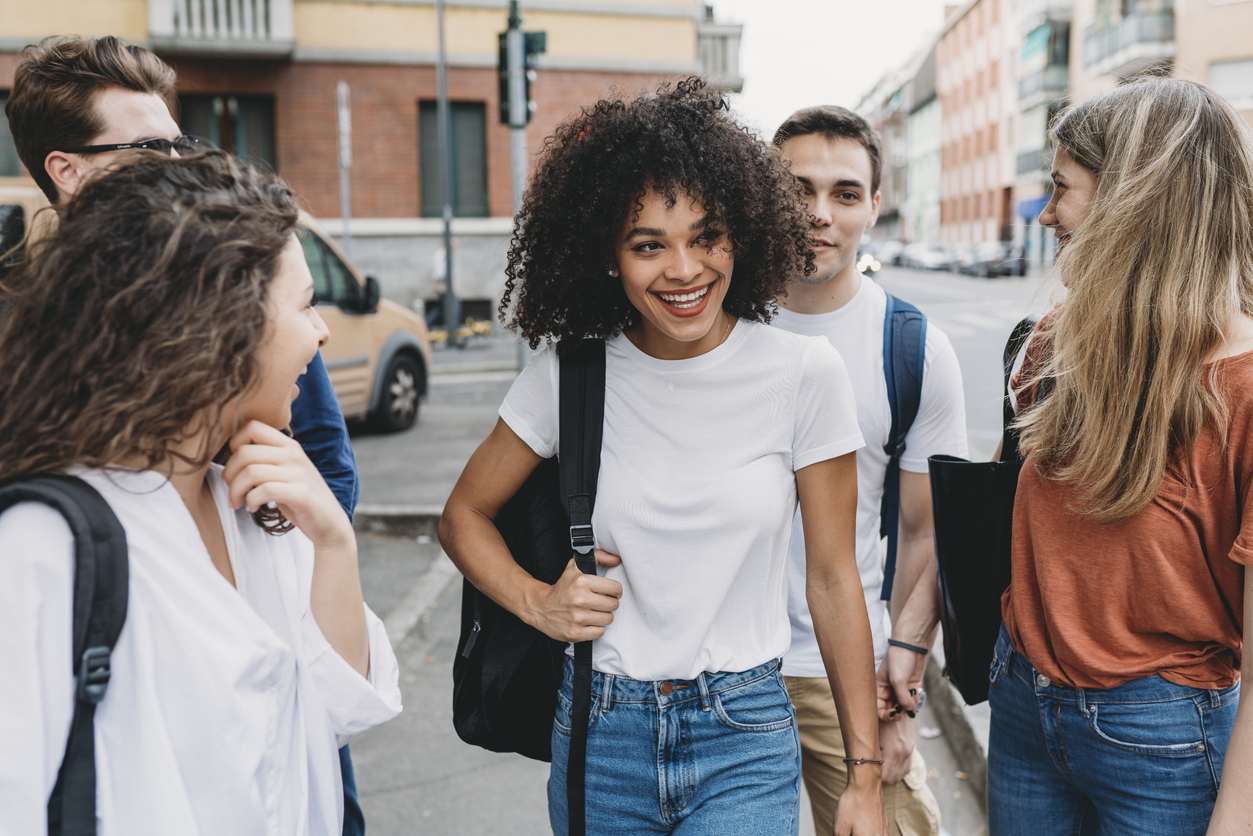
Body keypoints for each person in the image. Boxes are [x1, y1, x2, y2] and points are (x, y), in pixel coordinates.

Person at [439, 79, 886, 835]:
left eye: (706, 236)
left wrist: (863, 777)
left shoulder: (802, 376)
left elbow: (834, 578)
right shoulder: (571, 374)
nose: (683, 271)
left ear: (740, 233)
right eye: (649, 245)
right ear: (609, 257)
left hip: (742, 731)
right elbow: (463, 517)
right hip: (601, 731)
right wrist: (536, 601)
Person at [3, 36, 368, 831]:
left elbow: (336, 700)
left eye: (180, 144)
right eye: (152, 147)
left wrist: (327, 539)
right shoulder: (50, 543)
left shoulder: (259, 483)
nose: (179, 164)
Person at [990, 77, 1253, 834]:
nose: (1046, 215)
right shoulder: (1052, 345)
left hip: (1160, 731)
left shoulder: (1242, 389)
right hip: (1019, 693)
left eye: (1061, 189)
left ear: (1132, 199)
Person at [771, 107, 966, 836]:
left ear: (873, 207)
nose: (819, 215)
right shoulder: (708, 319)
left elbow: (923, 535)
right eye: (797, 189)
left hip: (842, 666)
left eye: (844, 194)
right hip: (720, 666)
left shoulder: (911, 348)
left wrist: (903, 682)